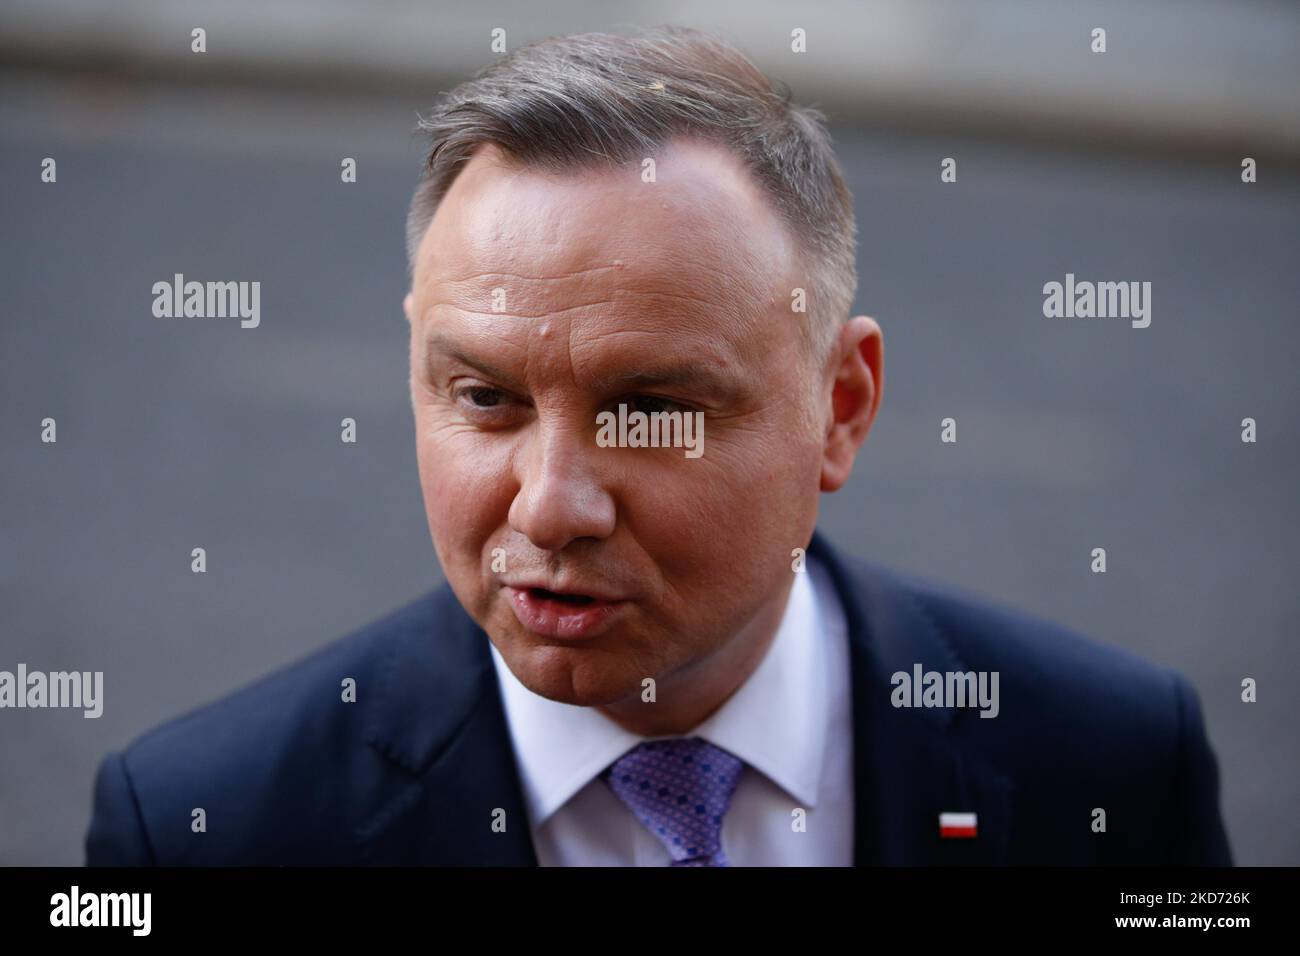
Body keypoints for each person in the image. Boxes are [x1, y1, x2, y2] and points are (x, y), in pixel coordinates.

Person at [85, 26, 1231, 866]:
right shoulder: (205, 826)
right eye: (484, 397)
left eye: (650, 409)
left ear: (841, 405)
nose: (547, 508)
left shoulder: (1111, 763)